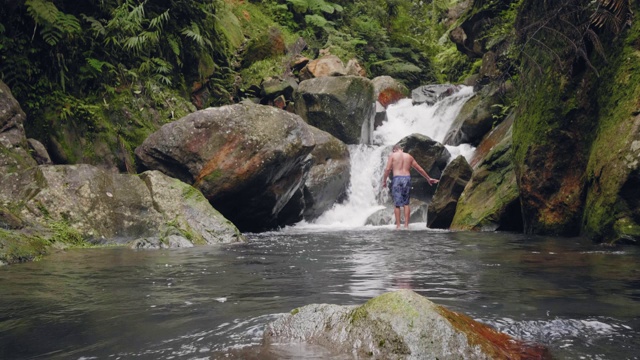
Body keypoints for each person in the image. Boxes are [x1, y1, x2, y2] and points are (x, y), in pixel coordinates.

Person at [381, 144, 439, 229]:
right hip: (407, 179)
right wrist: (428, 178)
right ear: (402, 149)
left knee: (397, 204)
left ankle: (398, 226)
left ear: (394, 150)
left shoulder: (393, 155)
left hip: (397, 179)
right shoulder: (409, 156)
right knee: (406, 203)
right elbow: (420, 169)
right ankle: (406, 226)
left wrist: (384, 181)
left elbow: (387, 169)